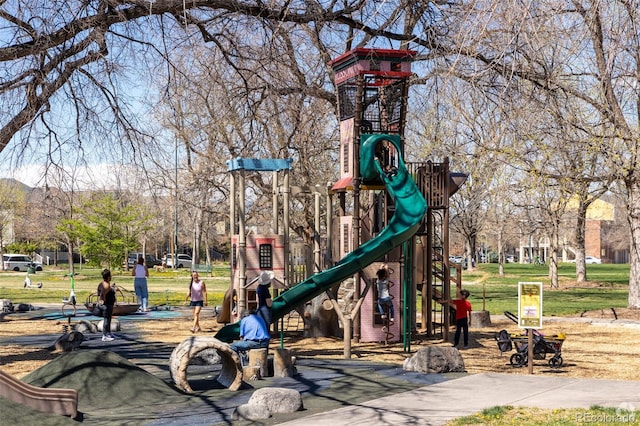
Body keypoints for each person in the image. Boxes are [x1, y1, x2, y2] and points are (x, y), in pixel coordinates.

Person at [98, 269, 117, 342]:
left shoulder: (103, 284)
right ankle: (104, 335)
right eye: (110, 276)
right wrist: (103, 300)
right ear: (108, 277)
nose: (111, 277)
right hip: (107, 304)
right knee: (106, 320)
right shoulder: (106, 285)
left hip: (109, 304)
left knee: (109, 319)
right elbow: (102, 294)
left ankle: (108, 333)